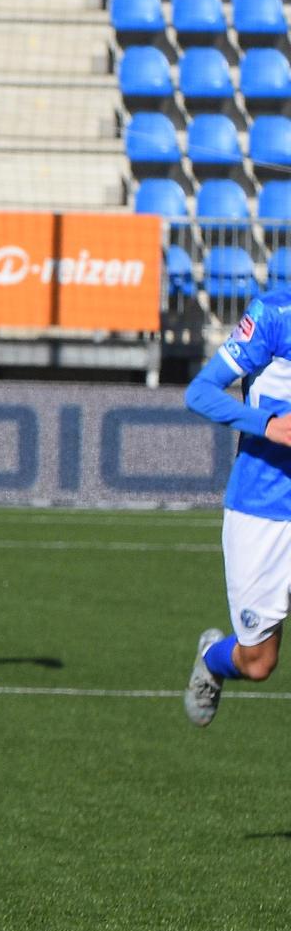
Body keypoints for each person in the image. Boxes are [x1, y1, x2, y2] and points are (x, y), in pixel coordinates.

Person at [183, 289, 291, 725]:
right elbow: (199, 392)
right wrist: (266, 425)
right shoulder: (274, 315)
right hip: (261, 509)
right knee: (258, 662)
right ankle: (213, 659)